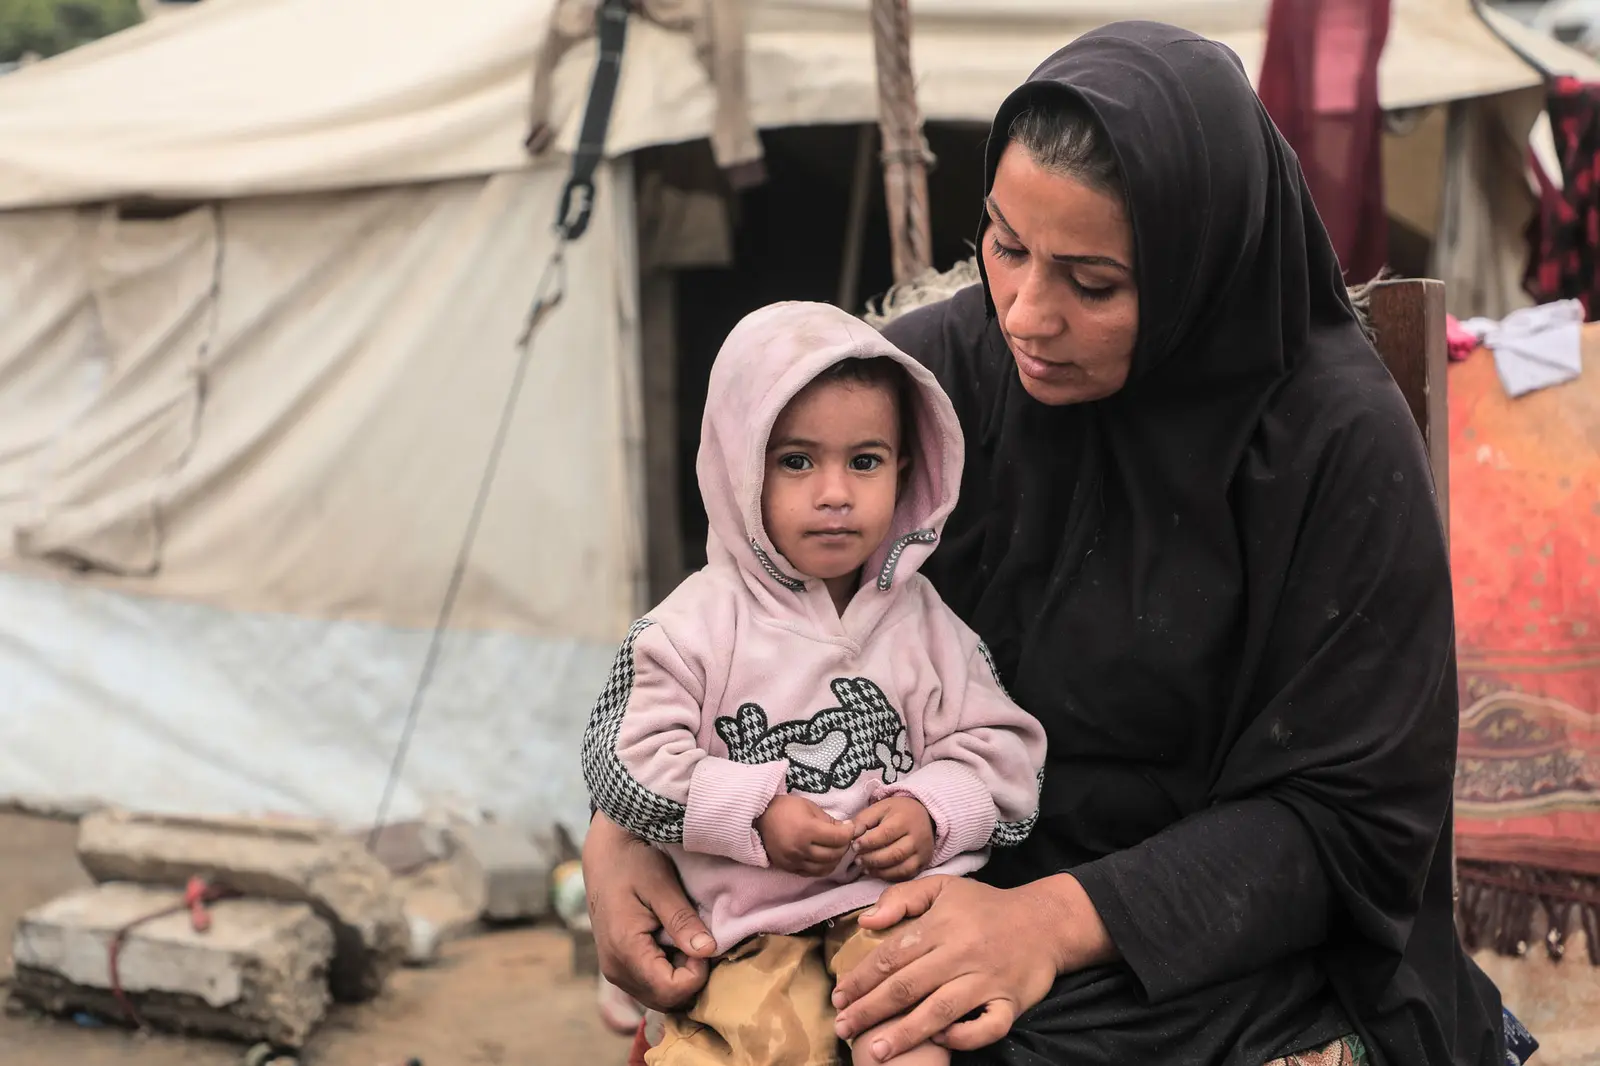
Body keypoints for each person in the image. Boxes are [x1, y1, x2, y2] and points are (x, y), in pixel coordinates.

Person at [584, 21, 1513, 1066]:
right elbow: (745, 610)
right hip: (923, 888)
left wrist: (1045, 924)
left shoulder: (1333, 445)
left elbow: (1348, 822)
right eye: (1005, 244)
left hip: (1212, 950)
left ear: (1201, 265)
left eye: (1093, 283)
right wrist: (618, 836)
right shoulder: (931, 391)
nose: (1025, 313)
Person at [581, 300, 1048, 1066]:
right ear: (741, 469)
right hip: (742, 935)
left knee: (912, 1039)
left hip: (893, 914)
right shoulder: (692, 628)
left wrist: (934, 813)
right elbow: (627, 764)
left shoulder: (926, 623)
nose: (834, 492)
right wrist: (755, 816)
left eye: (864, 462)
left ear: (904, 472)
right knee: (740, 1050)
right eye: (797, 461)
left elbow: (1006, 757)